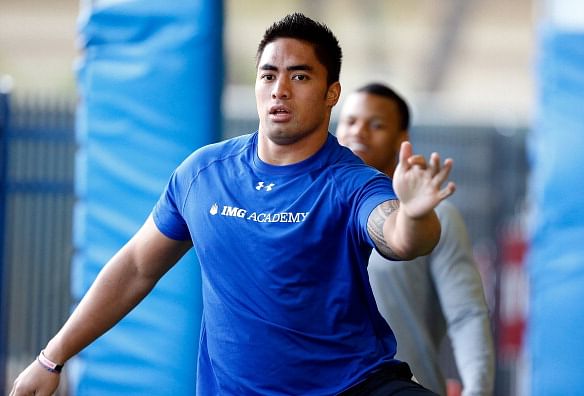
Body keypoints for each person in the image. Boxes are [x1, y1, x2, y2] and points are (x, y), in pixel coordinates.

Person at [10, 14, 456, 396]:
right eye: (268, 74)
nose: (280, 89)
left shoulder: (350, 182)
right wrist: (51, 359)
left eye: (300, 76)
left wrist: (415, 213)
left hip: (353, 385)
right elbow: (135, 268)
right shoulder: (203, 174)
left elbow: (399, 238)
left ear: (330, 93)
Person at [336, 83, 495, 396]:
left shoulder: (436, 218)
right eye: (350, 121)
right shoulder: (312, 210)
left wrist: (477, 388)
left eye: (376, 124)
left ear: (401, 139)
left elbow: (466, 314)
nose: (359, 132)